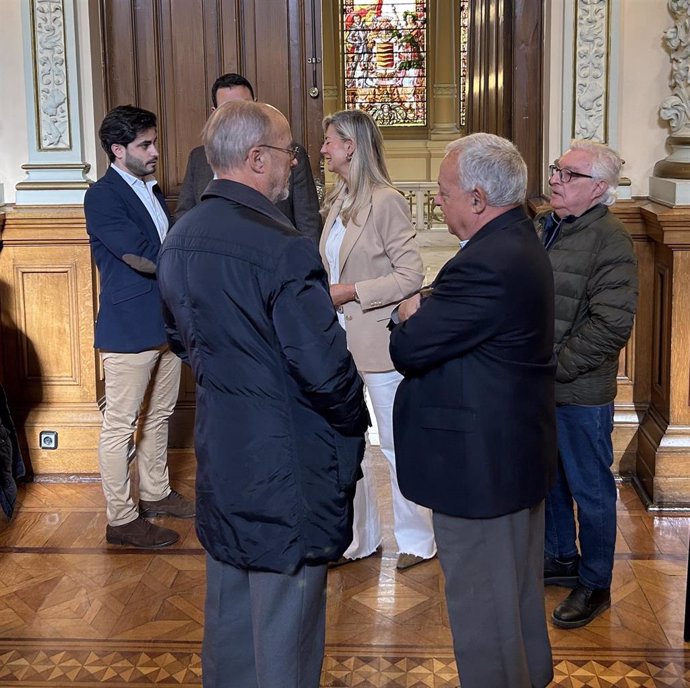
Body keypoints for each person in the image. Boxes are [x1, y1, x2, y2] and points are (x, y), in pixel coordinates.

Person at [157, 100, 369, 688]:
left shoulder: (181, 237)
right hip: (288, 462)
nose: (294, 164)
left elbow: (180, 337)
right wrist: (355, 421)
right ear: (256, 159)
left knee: (229, 612)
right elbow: (326, 371)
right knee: (286, 623)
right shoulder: (282, 247)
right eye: (288, 153)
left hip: (223, 450)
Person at [390, 133, 556, 688]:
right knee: (514, 601)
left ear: (479, 198)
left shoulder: (486, 263)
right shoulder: (515, 242)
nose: (439, 200)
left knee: (486, 615)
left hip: (481, 470)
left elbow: (411, 349)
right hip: (507, 459)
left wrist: (406, 315)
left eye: (444, 191)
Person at [319, 109, 436, 570]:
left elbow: (411, 274)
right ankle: (360, 539)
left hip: (380, 343)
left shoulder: (386, 200)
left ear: (351, 146)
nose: (323, 148)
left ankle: (417, 539)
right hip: (338, 345)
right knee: (352, 447)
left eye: (329, 140)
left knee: (394, 444)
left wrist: (351, 293)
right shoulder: (336, 200)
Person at [537, 140, 638, 629]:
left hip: (578, 391)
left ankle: (596, 582)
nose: (555, 178)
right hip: (542, 386)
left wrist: (554, 366)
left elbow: (611, 324)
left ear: (598, 188)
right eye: (557, 169)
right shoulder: (548, 225)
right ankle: (560, 557)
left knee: (591, 489)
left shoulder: (611, 239)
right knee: (551, 481)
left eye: (568, 174)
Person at [84, 105, 194, 549]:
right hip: (128, 327)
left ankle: (155, 493)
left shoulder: (148, 189)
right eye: (145, 145)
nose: (155, 152)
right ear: (117, 150)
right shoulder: (103, 195)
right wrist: (191, 267)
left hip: (164, 322)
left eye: (154, 142)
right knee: (121, 424)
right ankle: (122, 518)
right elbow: (139, 256)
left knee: (160, 414)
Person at [175, 72, 322, 243]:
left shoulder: (288, 153)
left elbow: (308, 223)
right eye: (229, 109)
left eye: (245, 106)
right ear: (214, 113)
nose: (239, 115)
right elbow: (184, 217)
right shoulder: (198, 158)